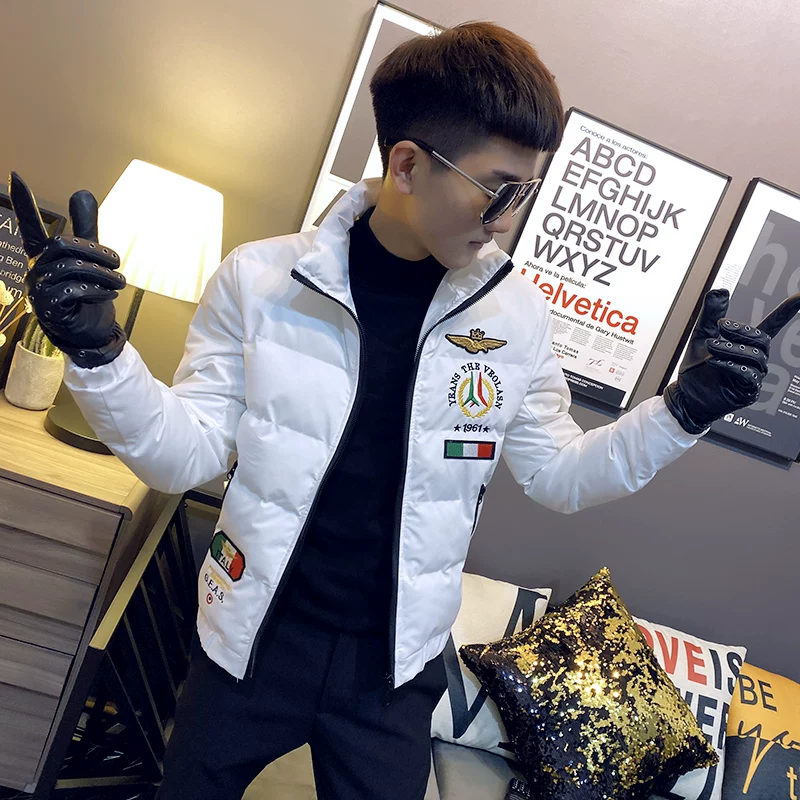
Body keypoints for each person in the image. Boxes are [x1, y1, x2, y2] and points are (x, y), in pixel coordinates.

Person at [9, 20, 798, 800]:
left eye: (527, 193)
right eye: (499, 190)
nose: (509, 219)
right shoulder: (260, 282)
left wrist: (682, 411)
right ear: (408, 164)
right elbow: (184, 454)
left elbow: (559, 475)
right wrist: (99, 354)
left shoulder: (516, 316)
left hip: (394, 670)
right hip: (248, 646)